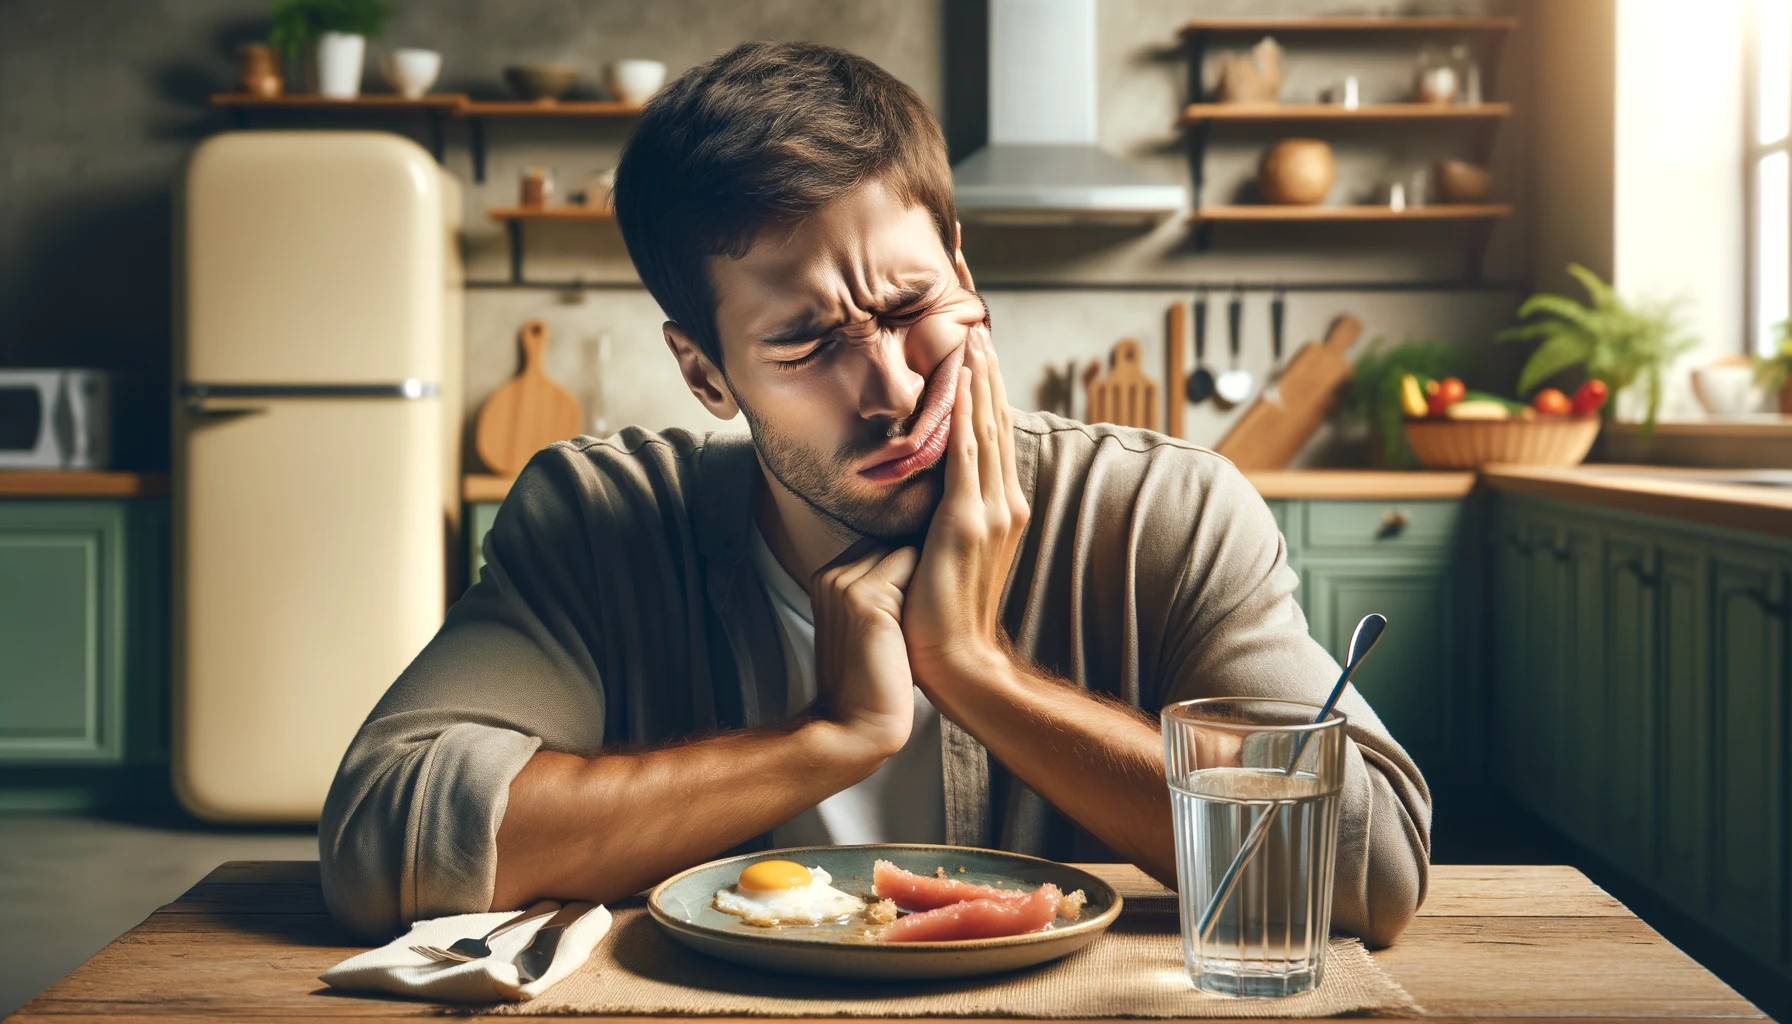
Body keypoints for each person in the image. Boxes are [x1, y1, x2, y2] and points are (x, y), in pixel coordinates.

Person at [319, 40, 1430, 946]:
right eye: (805, 341)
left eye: (909, 305)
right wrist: (830, 735)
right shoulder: (599, 517)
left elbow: (1369, 866)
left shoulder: (1169, 512)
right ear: (705, 371)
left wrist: (982, 671)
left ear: (962, 265)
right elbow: (385, 841)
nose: (892, 387)